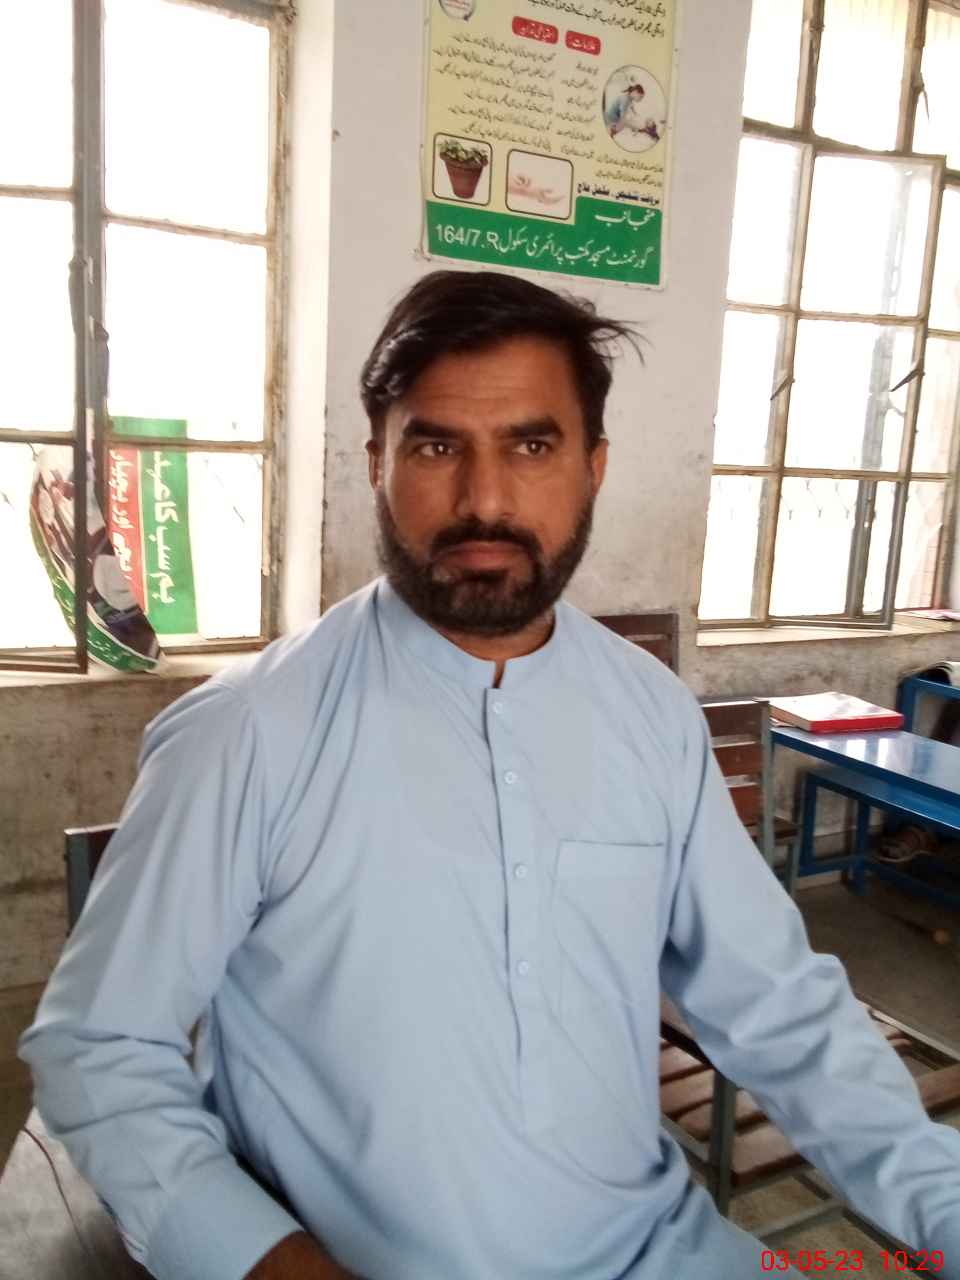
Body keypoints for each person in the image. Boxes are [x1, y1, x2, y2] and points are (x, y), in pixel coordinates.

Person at [19, 271, 960, 1280]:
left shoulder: (649, 717)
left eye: (531, 446)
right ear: (376, 461)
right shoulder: (248, 733)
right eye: (436, 447)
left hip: (664, 1250)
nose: (485, 500)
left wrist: (941, 1212)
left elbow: (779, 1005)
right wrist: (270, 1262)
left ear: (594, 467)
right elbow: (99, 1048)